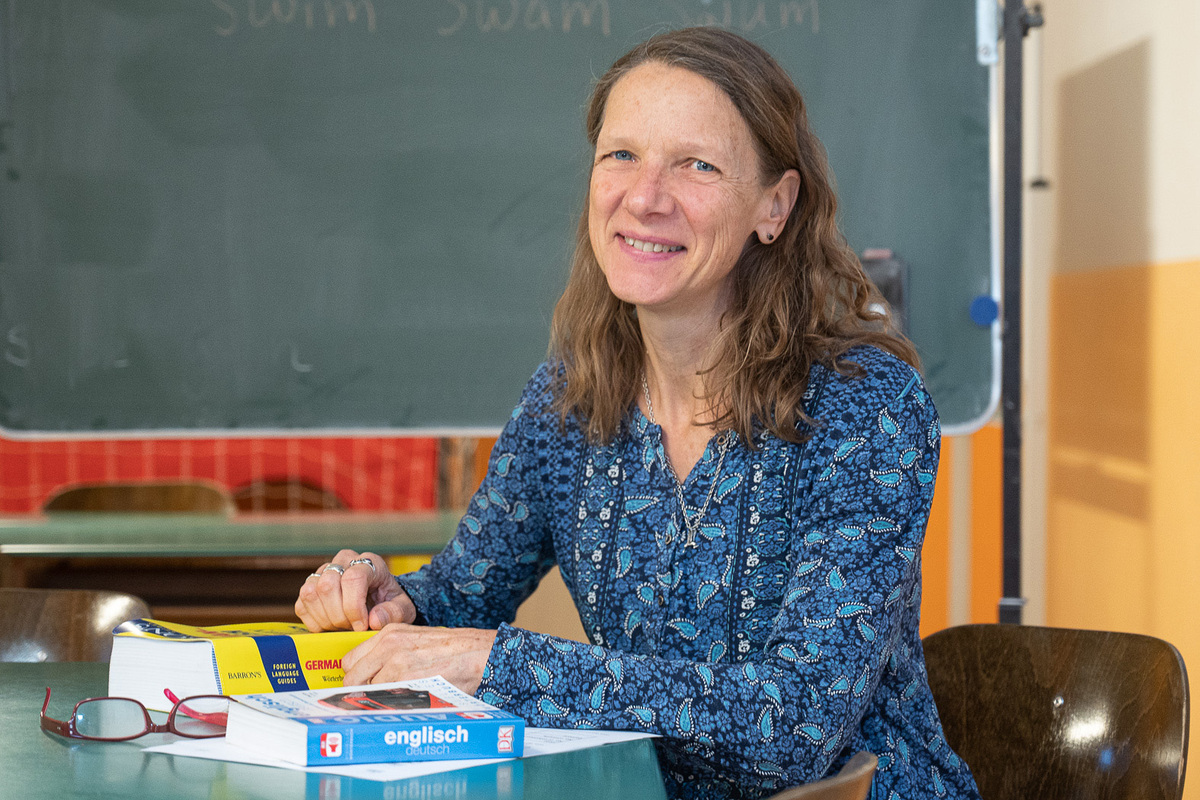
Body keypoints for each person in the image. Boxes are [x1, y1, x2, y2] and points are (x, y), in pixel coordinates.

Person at [296, 27, 981, 800]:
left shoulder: (868, 409)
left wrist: (494, 661)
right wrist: (389, 599)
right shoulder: (568, 400)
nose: (645, 197)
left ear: (774, 205)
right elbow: (461, 594)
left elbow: (791, 732)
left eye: (697, 165)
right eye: (622, 155)